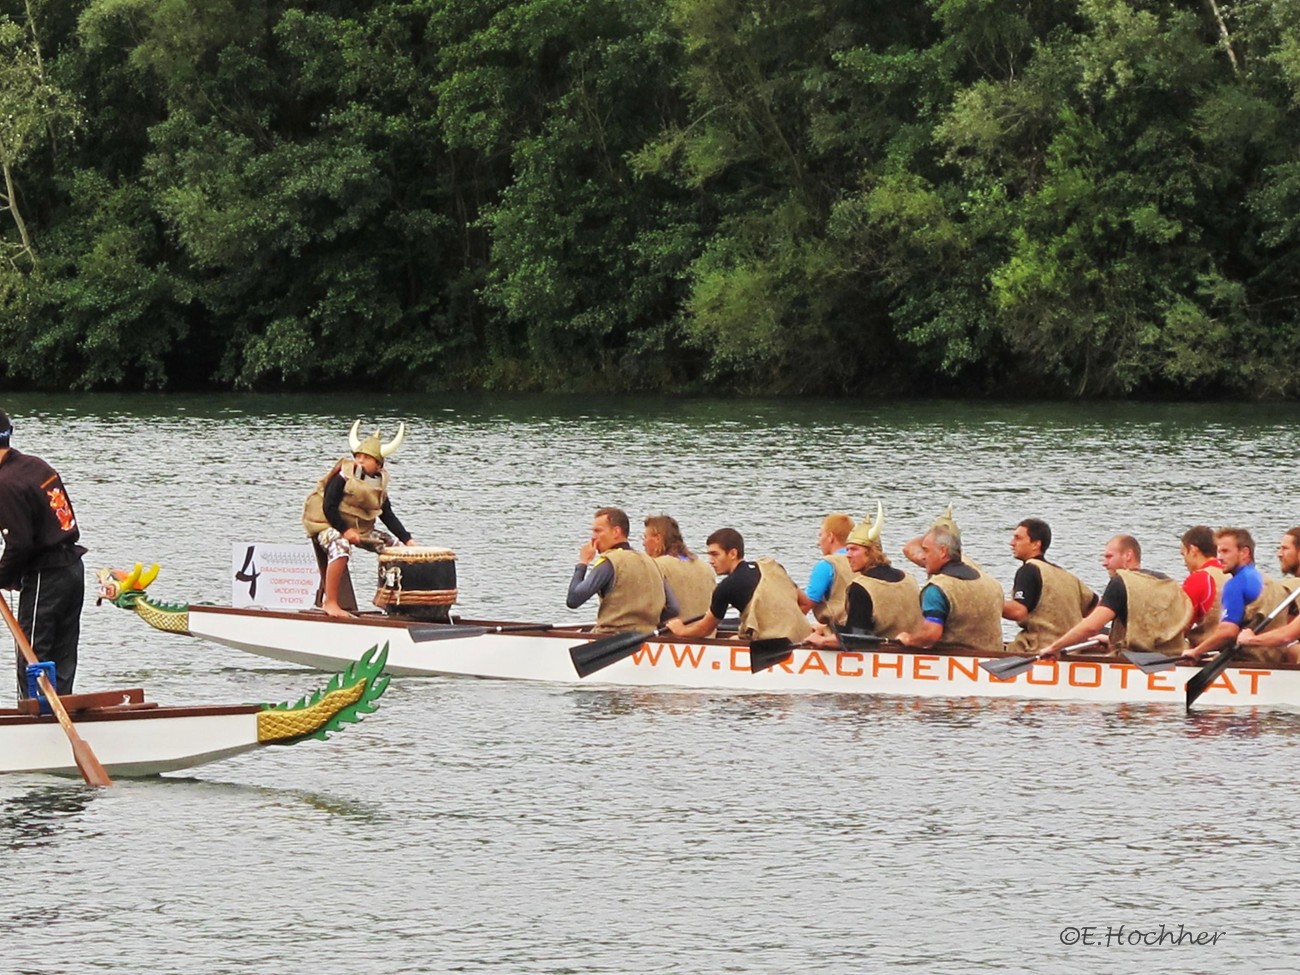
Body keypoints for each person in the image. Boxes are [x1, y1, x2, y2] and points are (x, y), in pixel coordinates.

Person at [0, 410, 88, 697]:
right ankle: (59, 709)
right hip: (72, 570)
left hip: (46, 577)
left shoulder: (5, 482)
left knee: (33, 659)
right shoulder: (34, 466)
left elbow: (20, 544)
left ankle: (35, 719)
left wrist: (2, 576)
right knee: (61, 660)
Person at [302, 421, 416, 618]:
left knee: (395, 548)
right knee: (341, 546)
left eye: (366, 458)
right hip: (327, 524)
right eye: (358, 457)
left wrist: (407, 540)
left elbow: (387, 515)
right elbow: (328, 506)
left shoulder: (379, 485)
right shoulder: (342, 476)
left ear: (379, 465)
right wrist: (345, 531)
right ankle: (330, 603)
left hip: (359, 528)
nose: (360, 461)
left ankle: (394, 602)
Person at [1040, 535, 1191, 660]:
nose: (1104, 563)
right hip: (1171, 657)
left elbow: (1091, 627)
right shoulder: (1164, 581)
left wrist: (1054, 647)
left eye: (1109, 557)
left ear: (1128, 555)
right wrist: (1111, 641)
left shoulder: (1120, 582)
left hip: (1137, 661)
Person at [666, 528, 811, 644]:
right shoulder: (771, 567)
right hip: (803, 636)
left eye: (715, 554)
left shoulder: (727, 586)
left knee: (734, 640)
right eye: (709, 555)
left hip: (773, 648)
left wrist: (681, 631)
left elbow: (705, 628)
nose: (711, 561)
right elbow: (805, 603)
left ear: (733, 553)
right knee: (735, 638)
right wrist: (785, 625)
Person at [808, 504, 921, 646]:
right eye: (847, 549)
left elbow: (856, 639)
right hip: (909, 649)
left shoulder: (861, 587)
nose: (848, 556)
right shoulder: (909, 578)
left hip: (881, 653)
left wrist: (822, 640)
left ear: (871, 551)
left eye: (854, 550)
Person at [1184, 528, 1294, 665]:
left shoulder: (1235, 584)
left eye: (1225, 551)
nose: (1219, 558)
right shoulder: (1272, 583)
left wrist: (1196, 652)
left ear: (1244, 553)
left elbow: (1228, 632)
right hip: (1274, 661)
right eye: (1218, 551)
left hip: (1245, 661)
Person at [567, 507, 677, 633]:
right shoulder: (652, 562)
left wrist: (583, 562)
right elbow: (673, 608)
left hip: (611, 636)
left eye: (598, 531)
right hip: (647, 635)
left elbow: (573, 599)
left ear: (616, 532)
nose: (593, 538)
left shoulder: (610, 561)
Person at [897, 525, 1004, 653]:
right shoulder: (993, 584)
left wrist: (909, 640)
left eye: (927, 550)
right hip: (994, 662)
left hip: (954, 663)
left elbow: (931, 634)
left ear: (942, 551)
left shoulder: (937, 588)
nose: (924, 557)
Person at [1002, 518, 1097, 654]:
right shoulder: (1068, 577)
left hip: (1038, 650)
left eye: (1018, 538)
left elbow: (1018, 611)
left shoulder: (1029, 570)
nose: (1011, 543)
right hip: (1070, 651)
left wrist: (991, 601)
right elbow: (1095, 607)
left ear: (1036, 544)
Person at [643, 514, 716, 629]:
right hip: (707, 636)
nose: (644, 543)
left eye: (645, 537)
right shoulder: (707, 568)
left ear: (658, 538)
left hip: (670, 637)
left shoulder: (656, 566)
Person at [797, 513, 854, 626]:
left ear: (830, 537)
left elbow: (806, 604)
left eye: (820, 535)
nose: (818, 542)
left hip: (839, 629)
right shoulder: (864, 561)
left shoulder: (827, 564)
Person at [1179, 525, 1227, 645]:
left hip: (1207, 650)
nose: (1184, 562)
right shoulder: (1231, 572)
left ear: (1193, 550)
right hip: (1232, 648)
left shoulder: (1199, 578)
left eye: (1183, 554)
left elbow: (1180, 627)